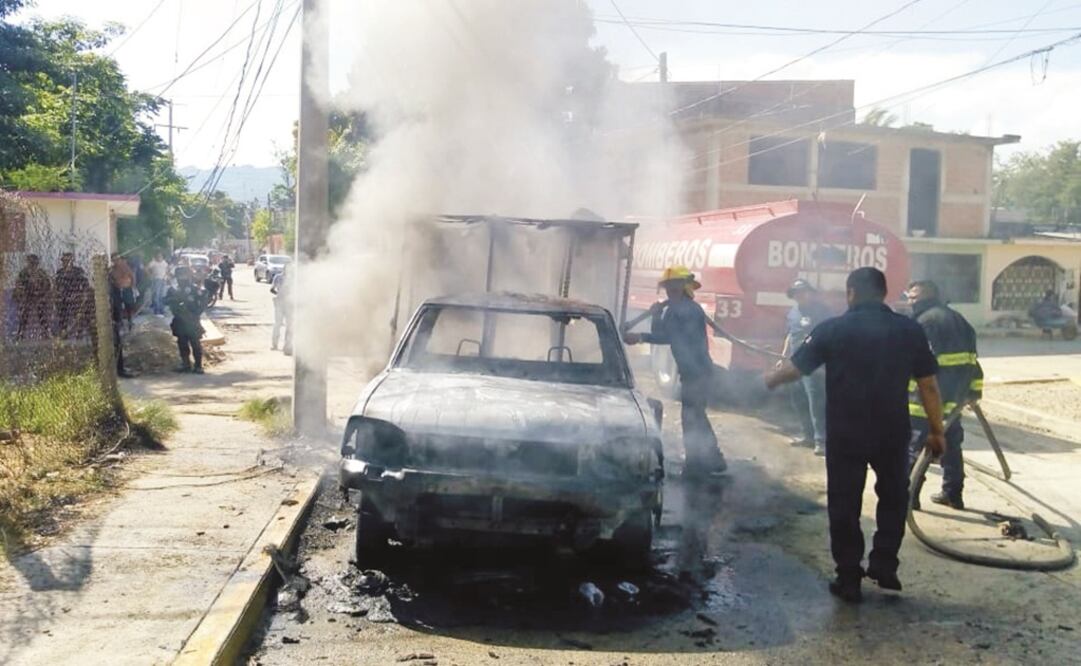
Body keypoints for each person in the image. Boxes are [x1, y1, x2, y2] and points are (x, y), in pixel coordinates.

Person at [764, 267, 946, 603]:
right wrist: (937, 431)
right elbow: (929, 385)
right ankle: (884, 563)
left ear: (850, 293)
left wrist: (769, 380)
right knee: (894, 496)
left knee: (844, 502)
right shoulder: (909, 330)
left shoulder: (832, 329)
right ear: (884, 293)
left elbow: (795, 368)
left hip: (846, 433)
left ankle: (848, 576)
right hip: (892, 431)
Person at [622, 265, 727, 477]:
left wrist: (641, 335)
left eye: (676, 286)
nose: (671, 290)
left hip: (696, 372)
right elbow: (664, 333)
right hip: (695, 371)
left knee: (691, 417)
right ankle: (713, 460)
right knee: (697, 415)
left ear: (686, 287)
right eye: (669, 287)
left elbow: (667, 337)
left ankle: (696, 465)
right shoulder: (684, 308)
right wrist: (656, 315)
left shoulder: (683, 309)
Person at [905, 280, 982, 511]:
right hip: (953, 402)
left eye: (913, 298)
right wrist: (974, 391)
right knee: (950, 446)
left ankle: (908, 498)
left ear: (926, 297)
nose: (910, 302)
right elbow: (973, 362)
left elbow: (916, 364)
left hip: (924, 401)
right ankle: (952, 494)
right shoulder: (960, 321)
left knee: (913, 450)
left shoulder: (923, 323)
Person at [779, 278, 831, 456]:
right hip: (794, 363)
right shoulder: (793, 312)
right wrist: (783, 356)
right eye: (796, 292)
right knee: (798, 399)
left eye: (803, 291)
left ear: (810, 292)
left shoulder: (822, 312)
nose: (800, 295)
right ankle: (807, 435)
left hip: (814, 364)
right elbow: (790, 335)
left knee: (816, 402)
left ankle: (821, 441)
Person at [164, 266, 207, 374]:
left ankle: (198, 366)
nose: (182, 278)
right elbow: (165, 300)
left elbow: (202, 303)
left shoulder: (195, 289)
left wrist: (196, 313)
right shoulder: (173, 289)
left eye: (184, 275)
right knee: (182, 343)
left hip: (192, 321)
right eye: (180, 276)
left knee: (195, 344)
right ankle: (185, 364)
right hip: (179, 320)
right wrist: (174, 299)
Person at [53, 251, 93, 339]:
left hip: (76, 296)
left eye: (67, 260)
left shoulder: (78, 271)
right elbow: (57, 285)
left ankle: (79, 332)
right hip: (63, 297)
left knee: (78, 315)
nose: (65, 263)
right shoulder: (60, 272)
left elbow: (85, 283)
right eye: (64, 261)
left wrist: (82, 294)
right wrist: (57, 294)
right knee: (62, 315)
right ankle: (64, 332)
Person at [13, 254, 52, 339]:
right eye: (30, 262)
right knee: (24, 314)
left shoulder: (41, 273)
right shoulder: (24, 272)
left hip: (39, 297)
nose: (32, 264)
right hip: (28, 296)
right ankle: (21, 333)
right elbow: (18, 284)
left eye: (34, 262)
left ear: (37, 263)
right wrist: (20, 292)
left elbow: (47, 284)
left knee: (41, 314)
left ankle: (46, 332)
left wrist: (43, 294)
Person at [108, 254, 137, 331]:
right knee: (117, 306)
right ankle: (119, 322)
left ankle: (130, 320)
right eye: (114, 260)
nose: (116, 261)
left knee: (129, 305)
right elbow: (110, 278)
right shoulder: (112, 269)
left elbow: (132, 276)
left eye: (117, 259)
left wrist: (133, 286)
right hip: (117, 289)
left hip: (127, 288)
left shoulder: (126, 267)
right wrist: (113, 283)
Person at [270, 263, 293, 355]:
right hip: (284, 302)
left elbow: (272, 289)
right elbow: (272, 289)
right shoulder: (289, 278)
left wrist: (278, 293)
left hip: (285, 302)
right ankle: (279, 345)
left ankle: (282, 345)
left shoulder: (279, 277)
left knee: (283, 324)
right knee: (283, 324)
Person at [147, 252, 170, 316]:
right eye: (158, 256)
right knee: (156, 295)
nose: (159, 257)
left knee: (161, 295)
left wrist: (168, 278)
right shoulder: (153, 263)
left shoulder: (164, 263)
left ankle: (161, 309)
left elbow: (167, 270)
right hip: (156, 280)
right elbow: (146, 269)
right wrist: (150, 275)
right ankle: (157, 310)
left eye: (160, 256)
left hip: (163, 280)